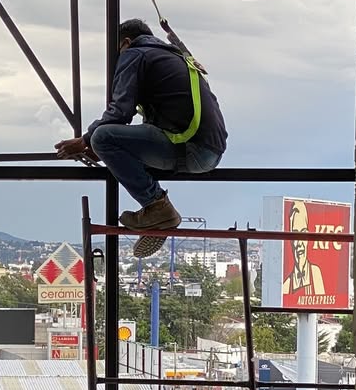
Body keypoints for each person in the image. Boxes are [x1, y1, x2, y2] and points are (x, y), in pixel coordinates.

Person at [54, 18, 227, 258]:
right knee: (111, 147)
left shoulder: (135, 54)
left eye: (116, 53)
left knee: (103, 137)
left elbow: (120, 112)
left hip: (190, 148)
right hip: (207, 150)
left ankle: (157, 208)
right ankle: (156, 217)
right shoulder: (172, 57)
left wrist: (85, 140)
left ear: (125, 42)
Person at [283, 200, 325, 298]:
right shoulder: (286, 286)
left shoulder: (316, 274)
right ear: (290, 241)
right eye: (294, 235)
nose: (299, 243)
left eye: (303, 233)